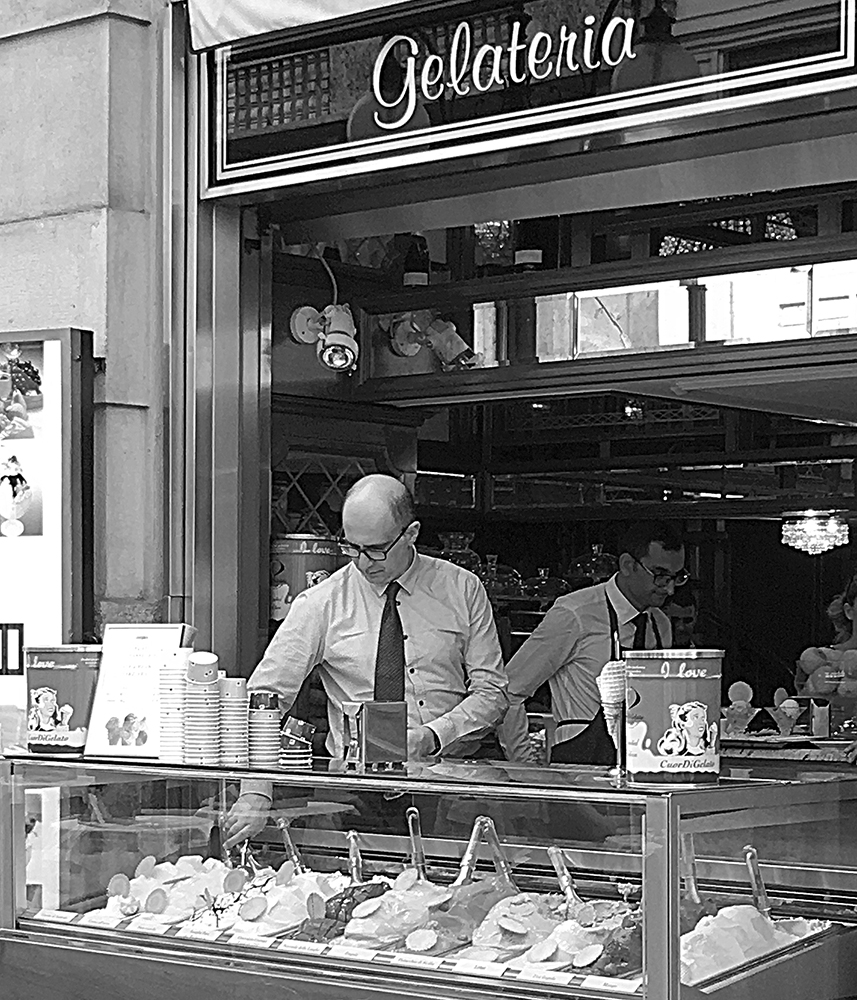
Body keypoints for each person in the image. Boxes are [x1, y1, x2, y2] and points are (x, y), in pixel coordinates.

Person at [225, 473, 508, 847]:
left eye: (375, 549)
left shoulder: (462, 588)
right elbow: (266, 699)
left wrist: (432, 736)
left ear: (411, 534)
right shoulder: (322, 602)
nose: (362, 561)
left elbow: (493, 694)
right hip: (352, 796)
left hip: (449, 788)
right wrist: (255, 792)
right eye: (351, 547)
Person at [500, 521, 686, 765]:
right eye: (661, 576)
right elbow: (508, 692)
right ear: (628, 565)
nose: (670, 589)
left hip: (644, 766)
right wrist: (524, 767)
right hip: (578, 771)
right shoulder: (575, 613)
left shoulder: (660, 623)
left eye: (677, 577)